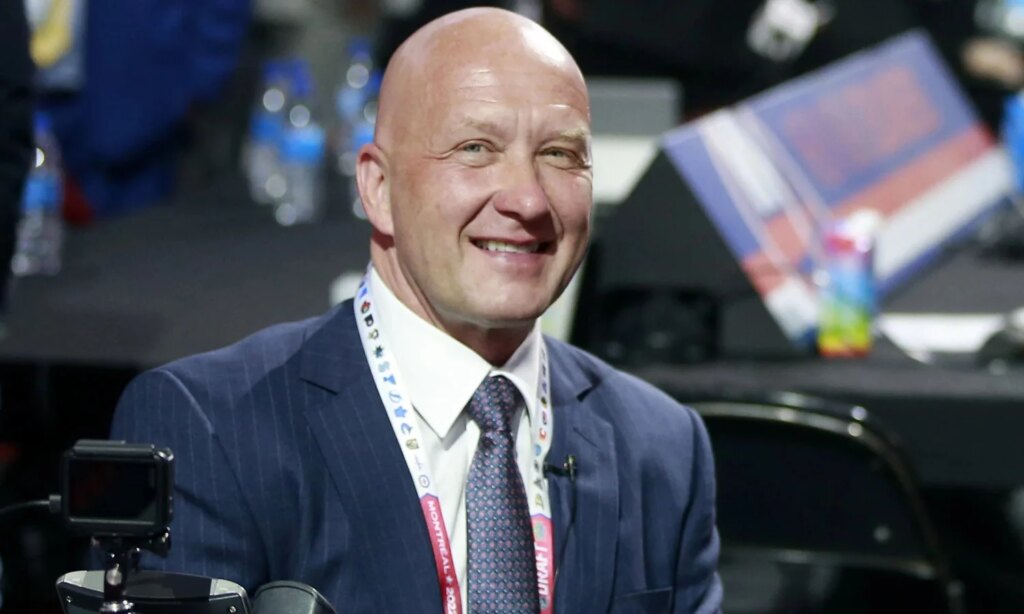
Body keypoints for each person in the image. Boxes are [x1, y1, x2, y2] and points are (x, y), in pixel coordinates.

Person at [110, 8, 722, 613]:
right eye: (476, 148)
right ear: (379, 189)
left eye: (561, 154)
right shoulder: (212, 430)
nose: (529, 199)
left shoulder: (662, 448)